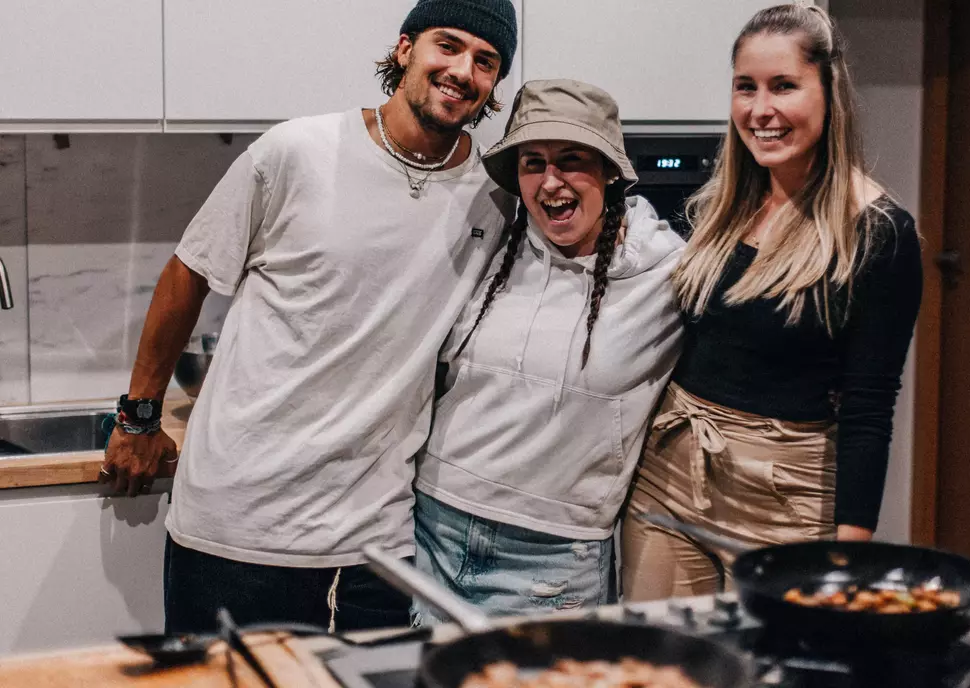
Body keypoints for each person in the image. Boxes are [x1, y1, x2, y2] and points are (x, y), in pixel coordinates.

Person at [100, 0, 518, 633]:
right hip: (232, 525)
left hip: (370, 541)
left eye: (485, 61)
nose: (463, 70)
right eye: (448, 45)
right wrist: (138, 417)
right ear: (405, 48)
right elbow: (188, 275)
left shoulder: (493, 199)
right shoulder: (297, 151)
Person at [621, 3, 923, 600]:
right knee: (661, 664)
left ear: (829, 91)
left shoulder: (879, 232)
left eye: (784, 86)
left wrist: (848, 559)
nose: (761, 111)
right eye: (746, 88)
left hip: (787, 499)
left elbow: (869, 408)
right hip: (669, 475)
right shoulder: (720, 206)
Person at [413, 79, 685, 622]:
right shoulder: (489, 250)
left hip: (556, 561)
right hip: (433, 531)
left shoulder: (669, 275)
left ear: (610, 171)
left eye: (572, 159)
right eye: (532, 162)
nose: (551, 180)